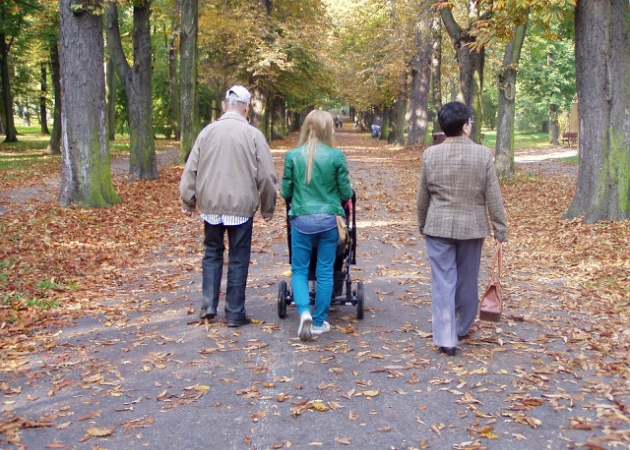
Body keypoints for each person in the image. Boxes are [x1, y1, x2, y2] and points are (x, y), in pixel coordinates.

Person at [180, 85, 277, 327]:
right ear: (246, 108)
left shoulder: (207, 132)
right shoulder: (254, 135)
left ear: (225, 106)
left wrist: (188, 201)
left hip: (211, 205)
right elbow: (266, 176)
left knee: (212, 254)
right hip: (241, 208)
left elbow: (191, 169)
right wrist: (268, 207)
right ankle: (234, 312)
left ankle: (209, 306)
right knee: (238, 257)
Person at [416, 101, 507, 356]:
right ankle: (463, 327)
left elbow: (423, 196)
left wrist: (422, 223)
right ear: (466, 126)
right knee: (467, 279)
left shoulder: (430, 155)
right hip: (472, 226)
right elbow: (493, 196)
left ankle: (446, 337)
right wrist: (500, 228)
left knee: (443, 281)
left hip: (438, 225)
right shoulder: (482, 154)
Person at [281, 110, 353, 341]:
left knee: (299, 270)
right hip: (328, 222)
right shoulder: (335, 156)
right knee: (325, 270)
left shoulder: (292, 155)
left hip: (301, 220)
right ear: (326, 129)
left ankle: (304, 313)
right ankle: (320, 322)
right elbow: (345, 192)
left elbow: (285, 192)